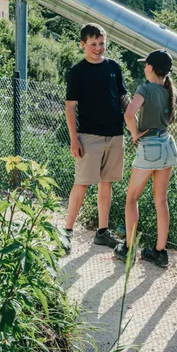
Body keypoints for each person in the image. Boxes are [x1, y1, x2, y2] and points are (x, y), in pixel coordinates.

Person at [63, 23, 129, 251]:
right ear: (83, 45)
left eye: (101, 43)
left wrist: (136, 125)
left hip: (115, 135)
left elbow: (123, 99)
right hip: (88, 137)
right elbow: (70, 107)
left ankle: (102, 232)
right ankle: (67, 232)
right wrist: (74, 139)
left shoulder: (114, 67)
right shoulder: (77, 71)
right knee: (81, 184)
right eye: (93, 44)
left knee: (106, 183)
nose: (99, 48)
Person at [114, 49, 177, 268]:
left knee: (132, 198)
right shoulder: (169, 91)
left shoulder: (145, 89)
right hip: (168, 145)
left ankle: (129, 248)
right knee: (161, 199)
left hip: (149, 147)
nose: (144, 68)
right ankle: (160, 252)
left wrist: (134, 134)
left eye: (146, 65)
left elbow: (128, 114)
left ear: (150, 68)